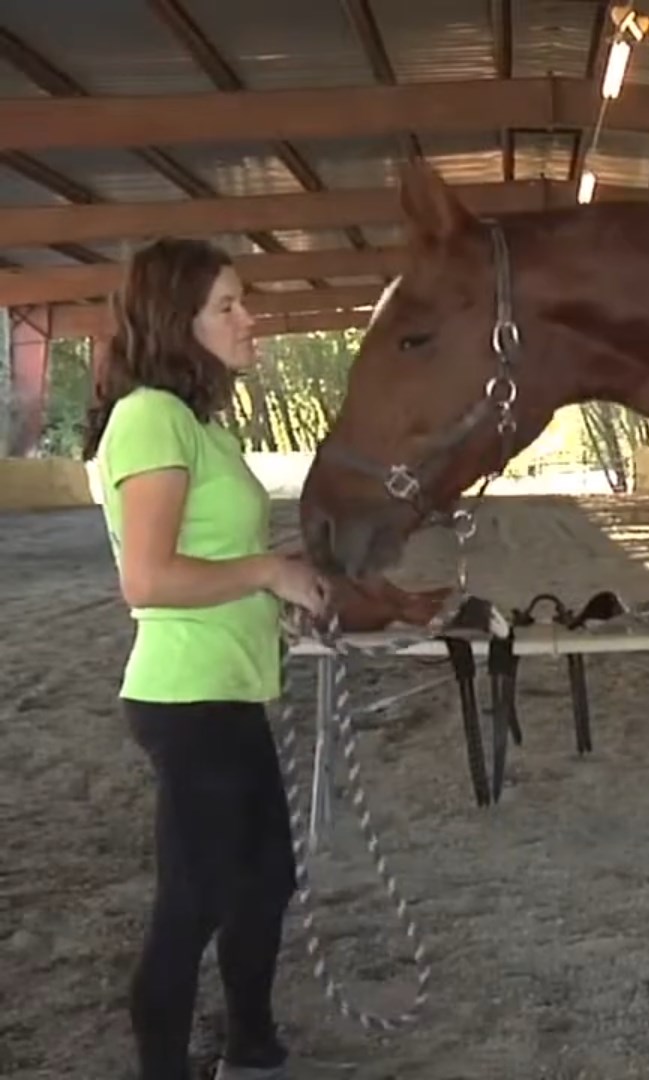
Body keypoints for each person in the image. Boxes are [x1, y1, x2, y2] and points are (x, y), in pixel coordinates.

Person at [83, 237, 330, 1080]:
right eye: (226, 306)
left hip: (228, 688)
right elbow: (147, 578)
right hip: (187, 698)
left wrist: (282, 587)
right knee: (192, 906)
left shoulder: (199, 425)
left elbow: (214, 559)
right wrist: (268, 571)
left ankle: (252, 1050)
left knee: (264, 885)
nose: (247, 318)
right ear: (175, 324)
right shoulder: (150, 417)